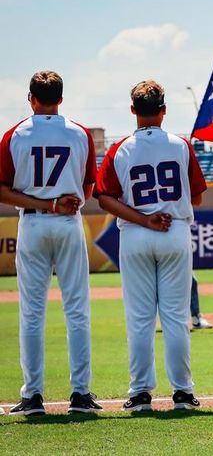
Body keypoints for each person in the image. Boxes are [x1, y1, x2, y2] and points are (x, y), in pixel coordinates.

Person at [94, 80, 207, 411]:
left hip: (135, 233)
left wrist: (144, 219)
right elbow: (197, 196)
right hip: (175, 231)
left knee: (140, 319)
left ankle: (141, 393)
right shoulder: (181, 145)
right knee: (175, 317)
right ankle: (183, 393)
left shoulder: (120, 149)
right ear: (163, 110)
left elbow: (104, 198)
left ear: (133, 110)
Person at [0, 71, 102, 415]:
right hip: (68, 223)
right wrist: (63, 203)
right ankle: (81, 394)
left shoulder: (14, 134)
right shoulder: (79, 132)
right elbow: (88, 187)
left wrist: (44, 203)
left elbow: (2, 190)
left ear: (31, 97)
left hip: (32, 222)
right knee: (77, 311)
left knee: (31, 313)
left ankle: (32, 397)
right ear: (61, 97)